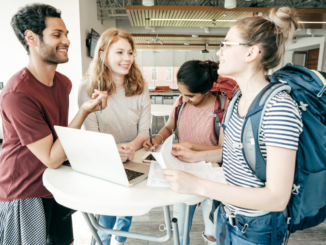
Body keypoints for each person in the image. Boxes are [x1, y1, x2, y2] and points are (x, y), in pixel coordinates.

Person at [163, 7, 303, 245]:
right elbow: (237, 152)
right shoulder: (238, 99)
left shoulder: (278, 108)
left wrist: (198, 185)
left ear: (251, 53)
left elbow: (277, 198)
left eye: (227, 44)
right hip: (227, 216)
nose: (219, 52)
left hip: (256, 230)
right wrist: (194, 155)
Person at [0, 4, 107, 245]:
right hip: (25, 191)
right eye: (57, 34)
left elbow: (58, 142)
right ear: (31, 38)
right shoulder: (17, 93)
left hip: (55, 183)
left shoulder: (63, 83)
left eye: (66, 34)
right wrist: (82, 112)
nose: (67, 41)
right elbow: (50, 156)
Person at [143, 60, 237, 245]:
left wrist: (190, 146)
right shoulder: (181, 102)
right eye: (181, 93)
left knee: (212, 233)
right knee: (179, 229)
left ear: (207, 90)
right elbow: (170, 126)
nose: (184, 99)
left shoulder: (223, 107)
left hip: (211, 178)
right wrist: (157, 139)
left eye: (190, 96)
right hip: (182, 172)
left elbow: (222, 150)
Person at [78, 28, 151, 245]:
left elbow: (144, 132)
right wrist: (112, 150)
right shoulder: (88, 87)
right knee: (106, 213)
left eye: (130, 53)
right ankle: (102, 240)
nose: (127, 58)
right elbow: (91, 133)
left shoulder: (140, 86)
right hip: (103, 155)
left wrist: (131, 146)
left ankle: (120, 239)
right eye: (119, 52)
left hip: (133, 154)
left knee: (126, 207)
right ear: (102, 54)